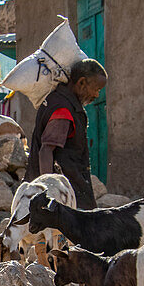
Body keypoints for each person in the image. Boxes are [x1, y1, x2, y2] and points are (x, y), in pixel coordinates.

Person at [25, 58, 107, 209]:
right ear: (82, 83)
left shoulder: (59, 100)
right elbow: (46, 151)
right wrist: (49, 192)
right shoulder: (63, 109)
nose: (96, 95)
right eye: (96, 89)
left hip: (68, 188)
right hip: (66, 192)